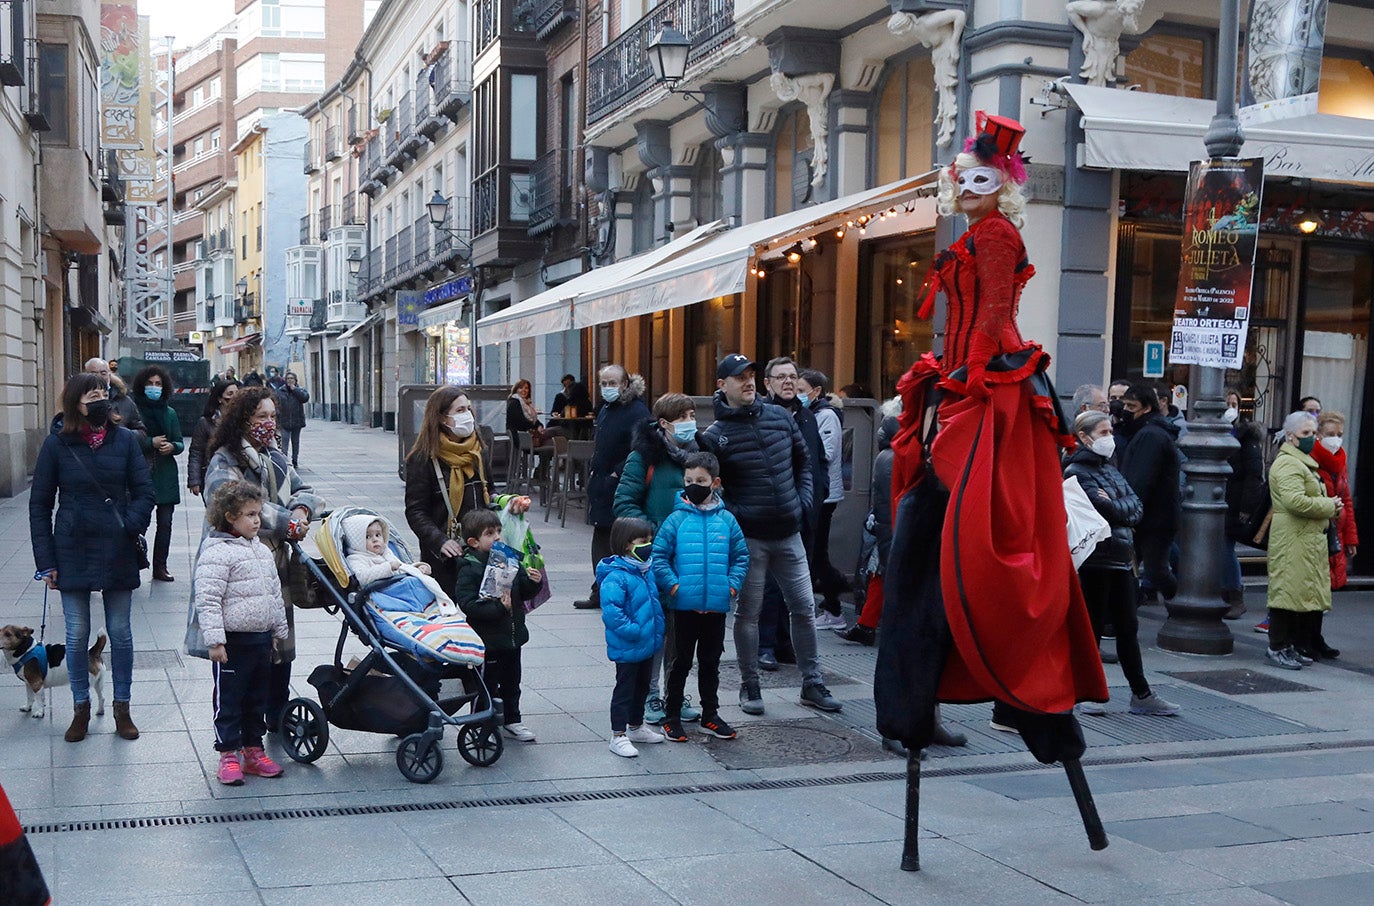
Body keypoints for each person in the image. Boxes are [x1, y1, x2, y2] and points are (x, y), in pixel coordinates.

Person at [876, 113, 1106, 775]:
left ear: (1003, 185)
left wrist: (969, 376)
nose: (971, 188)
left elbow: (994, 314)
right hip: (964, 386)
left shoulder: (997, 234)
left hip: (988, 387)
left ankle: (1007, 689)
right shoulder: (976, 233)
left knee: (978, 530)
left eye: (984, 179)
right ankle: (916, 705)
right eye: (964, 179)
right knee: (927, 528)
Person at [699, 353, 841, 715]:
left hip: (789, 531)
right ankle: (750, 686)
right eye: (739, 377)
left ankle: (812, 682)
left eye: (751, 375)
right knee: (748, 613)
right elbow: (713, 490)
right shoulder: (715, 436)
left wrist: (803, 502)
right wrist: (738, 514)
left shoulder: (779, 416)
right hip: (750, 539)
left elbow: (803, 461)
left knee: (804, 609)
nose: (748, 382)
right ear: (722, 385)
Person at [30, 372, 155, 742]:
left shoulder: (126, 441)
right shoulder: (57, 445)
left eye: (104, 393)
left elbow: (144, 490)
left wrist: (129, 526)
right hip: (72, 546)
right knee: (76, 634)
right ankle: (80, 708)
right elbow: (39, 505)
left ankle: (123, 708)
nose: (101, 400)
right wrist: (46, 562)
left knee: (120, 632)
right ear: (74, 404)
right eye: (92, 395)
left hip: (117, 547)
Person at [202, 386, 324, 727]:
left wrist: (301, 509)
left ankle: (276, 714)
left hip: (274, 567)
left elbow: (305, 492)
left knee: (278, 646)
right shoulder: (225, 459)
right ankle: (235, 728)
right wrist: (288, 522)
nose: (269, 423)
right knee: (244, 654)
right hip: (238, 567)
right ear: (243, 419)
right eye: (261, 417)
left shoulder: (276, 456)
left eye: (273, 416)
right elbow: (231, 503)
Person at [1064, 411, 1181, 716]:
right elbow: (1104, 508)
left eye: (1110, 430)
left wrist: (1118, 506)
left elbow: (1135, 506)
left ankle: (1140, 694)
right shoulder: (1077, 471)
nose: (1109, 437)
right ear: (1084, 437)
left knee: (1127, 627)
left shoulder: (1110, 469)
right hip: (1096, 559)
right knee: (1091, 629)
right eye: (1103, 432)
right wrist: (1120, 507)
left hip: (1119, 558)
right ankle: (1087, 692)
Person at [614, 392, 703, 724]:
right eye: (682, 416)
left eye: (692, 414)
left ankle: (675, 694)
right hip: (656, 558)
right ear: (664, 423)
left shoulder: (699, 457)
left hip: (692, 559)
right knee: (655, 630)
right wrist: (656, 535)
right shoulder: (644, 457)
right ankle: (650, 695)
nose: (689, 422)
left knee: (681, 632)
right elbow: (624, 504)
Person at [651, 452, 749, 743]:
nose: (694, 485)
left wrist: (730, 587)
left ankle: (710, 714)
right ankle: (671, 715)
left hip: (716, 607)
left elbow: (740, 557)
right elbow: (659, 557)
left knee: (710, 662)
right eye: (689, 480)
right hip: (684, 606)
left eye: (700, 481)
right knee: (680, 662)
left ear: (715, 483)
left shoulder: (728, 521)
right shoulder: (675, 519)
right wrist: (674, 587)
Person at [195, 481, 288, 785]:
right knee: (230, 701)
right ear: (230, 516)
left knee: (255, 700)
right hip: (232, 643)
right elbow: (208, 598)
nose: (257, 520)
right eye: (250, 514)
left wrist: (276, 629)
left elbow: (273, 594)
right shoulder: (218, 552)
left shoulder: (260, 550)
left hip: (260, 640)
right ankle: (227, 754)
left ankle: (253, 751)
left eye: (258, 513)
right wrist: (215, 641)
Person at [453, 508, 543, 743]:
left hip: (513, 637)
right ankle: (481, 720)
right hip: (487, 641)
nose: (497, 538)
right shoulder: (470, 567)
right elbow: (468, 604)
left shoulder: (507, 559)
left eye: (499, 532)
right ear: (473, 542)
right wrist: (498, 609)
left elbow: (522, 590)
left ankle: (512, 719)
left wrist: (534, 582)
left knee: (513, 682)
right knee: (486, 684)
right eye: (490, 533)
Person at [756, 355, 821, 670]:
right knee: (769, 585)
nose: (788, 382)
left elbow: (813, 465)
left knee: (797, 588)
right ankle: (764, 645)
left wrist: (810, 504)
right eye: (781, 376)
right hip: (771, 515)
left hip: (802, 514)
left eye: (793, 376)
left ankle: (785, 644)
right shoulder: (761, 416)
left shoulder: (807, 417)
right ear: (767, 383)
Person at [404, 386, 498, 598]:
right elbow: (416, 511)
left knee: (484, 617)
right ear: (441, 417)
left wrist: (507, 503)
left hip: (481, 552)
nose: (467, 416)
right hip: (445, 559)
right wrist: (440, 541)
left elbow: (489, 491)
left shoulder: (477, 450)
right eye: (460, 410)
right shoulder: (422, 458)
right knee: (448, 618)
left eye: (468, 409)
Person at [1265, 411, 1340, 670]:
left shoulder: (1301, 462)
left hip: (1303, 538)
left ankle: (1289, 646)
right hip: (1293, 537)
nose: (1311, 438)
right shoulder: (1289, 464)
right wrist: (1329, 505)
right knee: (1286, 592)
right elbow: (1293, 501)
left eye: (1312, 433)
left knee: (1298, 593)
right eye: (1305, 433)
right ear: (1290, 436)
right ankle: (1277, 646)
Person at [574, 365, 650, 610]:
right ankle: (601, 590)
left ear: (625, 383)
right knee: (601, 536)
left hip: (619, 483)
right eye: (603, 383)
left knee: (615, 538)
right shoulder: (607, 408)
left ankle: (611, 592)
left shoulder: (636, 410)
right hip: (602, 484)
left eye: (612, 382)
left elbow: (641, 445)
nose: (607, 388)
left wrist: (617, 473)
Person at [599, 516, 667, 757]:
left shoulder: (645, 570)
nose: (648, 544)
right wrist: (634, 631)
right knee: (625, 689)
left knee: (642, 687)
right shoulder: (616, 575)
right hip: (629, 644)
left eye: (650, 539)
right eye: (643, 540)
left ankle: (636, 726)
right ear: (627, 544)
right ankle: (618, 734)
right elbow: (612, 612)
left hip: (648, 642)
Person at [1117, 382, 1182, 605]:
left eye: (1131, 406)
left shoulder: (1150, 436)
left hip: (1152, 518)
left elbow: (1140, 479)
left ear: (1146, 408)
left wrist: (1129, 513)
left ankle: (1181, 604)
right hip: (1154, 516)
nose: (1125, 410)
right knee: (1136, 568)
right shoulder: (1150, 433)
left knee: (1153, 570)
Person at [798, 368, 849, 627]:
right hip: (816, 493)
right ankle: (832, 601)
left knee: (817, 555)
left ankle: (834, 605)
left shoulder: (826, 415)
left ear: (816, 391)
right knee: (815, 553)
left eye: (800, 389)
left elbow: (824, 454)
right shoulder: (812, 414)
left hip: (825, 495)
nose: (797, 394)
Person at [340, 515, 458, 615]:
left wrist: (417, 568)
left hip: (396, 585)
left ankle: (430, 606)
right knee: (412, 584)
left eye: (378, 535)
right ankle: (420, 606)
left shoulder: (385, 552)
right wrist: (388, 567)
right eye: (368, 537)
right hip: (382, 592)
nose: (375, 540)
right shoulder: (356, 558)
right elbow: (362, 577)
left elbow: (400, 567)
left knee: (421, 582)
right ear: (357, 541)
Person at [132, 365, 185, 582]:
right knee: (138, 523)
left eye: (158, 384)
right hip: (141, 473)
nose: (154, 388)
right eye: (150, 384)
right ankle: (133, 562)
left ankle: (160, 566)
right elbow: (127, 439)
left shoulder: (169, 412)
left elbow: (180, 441)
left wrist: (173, 446)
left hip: (165, 474)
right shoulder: (134, 409)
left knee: (165, 524)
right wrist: (149, 442)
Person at [1311, 411, 1355, 655]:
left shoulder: (1340, 461)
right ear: (1318, 435)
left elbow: (1346, 499)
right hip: (1317, 530)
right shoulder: (1313, 459)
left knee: (1323, 591)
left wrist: (1350, 538)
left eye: (1339, 435)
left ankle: (1315, 638)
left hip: (1333, 532)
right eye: (1330, 434)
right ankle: (1307, 638)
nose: (1335, 439)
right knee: (1313, 588)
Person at [1222, 402, 1266, 620]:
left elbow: (1253, 477)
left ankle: (1234, 594)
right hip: (1221, 500)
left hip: (1233, 503)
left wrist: (1246, 509)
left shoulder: (1247, 441)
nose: (1229, 408)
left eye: (1233, 403)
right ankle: (1225, 592)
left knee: (1225, 549)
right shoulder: (1220, 435)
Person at [188, 380, 240, 498]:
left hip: (238, 475)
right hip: (213, 475)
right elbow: (196, 452)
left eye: (237, 393)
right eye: (230, 394)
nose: (234, 398)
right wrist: (194, 480)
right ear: (220, 399)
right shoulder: (205, 422)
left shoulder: (243, 420)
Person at [84, 357, 146, 439]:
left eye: (103, 373)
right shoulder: (79, 401)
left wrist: (121, 436)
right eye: (94, 374)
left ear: (109, 375)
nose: (99, 377)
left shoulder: (125, 401)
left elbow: (141, 432)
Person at [268, 371, 309, 468]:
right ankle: (285, 461)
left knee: (295, 442)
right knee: (284, 443)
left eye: (292, 378)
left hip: (297, 421)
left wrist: (295, 390)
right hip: (284, 421)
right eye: (288, 378)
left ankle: (295, 460)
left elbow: (305, 398)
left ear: (295, 380)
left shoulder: (300, 390)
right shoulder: (280, 391)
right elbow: (276, 404)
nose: (290, 380)